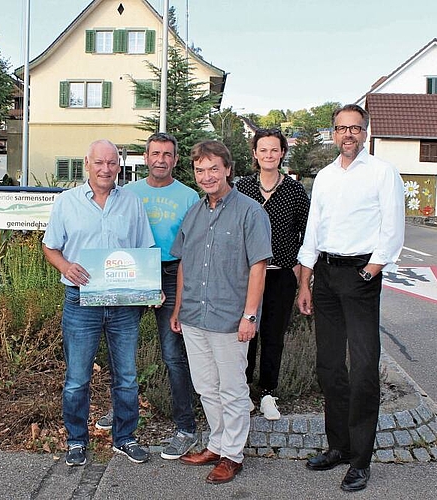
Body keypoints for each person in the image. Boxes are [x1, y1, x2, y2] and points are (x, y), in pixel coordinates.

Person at [297, 105, 405, 492]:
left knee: (362, 370)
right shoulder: (324, 177)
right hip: (325, 275)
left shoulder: (382, 172)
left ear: (365, 132)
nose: (348, 135)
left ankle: (361, 460)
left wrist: (370, 271)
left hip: (360, 277)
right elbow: (314, 228)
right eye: (342, 128)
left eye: (355, 129)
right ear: (333, 132)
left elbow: (392, 227)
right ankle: (338, 448)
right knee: (329, 367)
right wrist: (306, 281)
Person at [42, 139, 155, 467]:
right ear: (87, 164)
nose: (106, 169)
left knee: (127, 376)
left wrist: (149, 289)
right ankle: (76, 440)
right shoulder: (67, 203)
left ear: (118, 165)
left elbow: (144, 250)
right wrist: (65, 266)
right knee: (77, 378)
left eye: (112, 163)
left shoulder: (132, 203)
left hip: (123, 303)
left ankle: (125, 438)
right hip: (81, 301)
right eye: (99, 163)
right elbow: (50, 247)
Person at [170, 140, 272, 484]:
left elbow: (258, 267)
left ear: (228, 169)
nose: (207, 176)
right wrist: (178, 306)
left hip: (230, 318)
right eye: (200, 170)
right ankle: (216, 444)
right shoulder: (195, 212)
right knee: (206, 387)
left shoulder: (251, 212)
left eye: (214, 168)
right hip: (194, 316)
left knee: (232, 390)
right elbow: (185, 261)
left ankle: (233, 455)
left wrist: (250, 315)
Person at [122, 132, 200, 459]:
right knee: (122, 347)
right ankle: (121, 414)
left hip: (171, 274)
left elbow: (194, 244)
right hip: (134, 271)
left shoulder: (188, 196)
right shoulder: (127, 192)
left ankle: (186, 427)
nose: (161, 160)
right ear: (145, 156)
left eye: (167, 154)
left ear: (176, 159)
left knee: (172, 354)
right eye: (155, 153)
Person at [236, 128, 309, 420]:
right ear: (255, 154)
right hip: (248, 275)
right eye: (263, 150)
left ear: (282, 153)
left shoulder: (294, 191)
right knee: (246, 333)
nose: (268, 155)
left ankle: (268, 393)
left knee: (273, 334)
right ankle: (243, 391)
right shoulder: (242, 188)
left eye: (274, 150)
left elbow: (308, 231)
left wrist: (299, 266)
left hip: (280, 275)